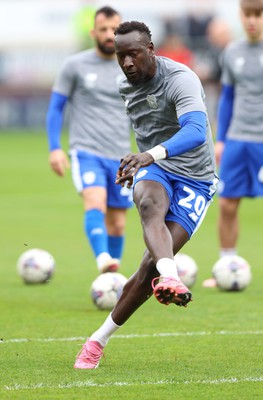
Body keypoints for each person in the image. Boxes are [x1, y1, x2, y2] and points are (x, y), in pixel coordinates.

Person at [74, 20, 218, 369]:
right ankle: (171, 277)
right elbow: (146, 129)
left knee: (146, 270)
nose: (127, 63)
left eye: (134, 54)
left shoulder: (181, 79)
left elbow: (197, 131)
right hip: (156, 170)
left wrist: (148, 155)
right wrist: (137, 164)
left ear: (151, 50)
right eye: (120, 56)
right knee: (149, 204)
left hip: (197, 179)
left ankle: (97, 338)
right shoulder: (127, 85)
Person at [46, 6, 133, 274]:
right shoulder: (75, 65)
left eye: (115, 30)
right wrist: (55, 148)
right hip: (87, 151)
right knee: (95, 201)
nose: (109, 35)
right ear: (93, 32)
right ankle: (102, 258)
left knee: (118, 223)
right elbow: (56, 108)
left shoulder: (130, 66)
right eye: (104, 29)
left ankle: (112, 277)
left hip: (121, 155)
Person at [203, 0, 263, 288]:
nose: (253, 20)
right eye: (248, 15)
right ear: (240, 16)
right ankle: (227, 266)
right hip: (238, 140)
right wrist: (221, 138)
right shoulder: (232, 52)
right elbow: (227, 97)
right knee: (227, 204)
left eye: (259, 15)